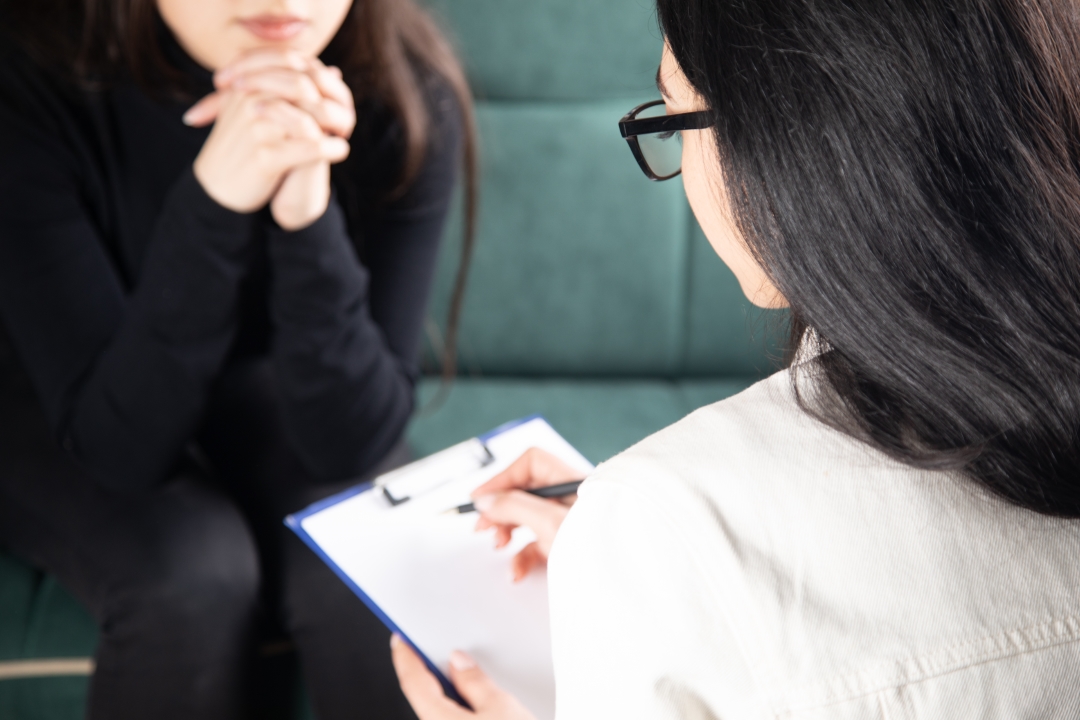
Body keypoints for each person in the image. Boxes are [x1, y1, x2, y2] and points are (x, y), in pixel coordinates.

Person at [390, 0, 1080, 717]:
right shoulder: (664, 531)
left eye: (673, 117)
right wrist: (650, 578)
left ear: (790, 141)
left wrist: (658, 549)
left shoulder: (662, 517)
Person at [0, 0, 475, 717]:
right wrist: (216, 199)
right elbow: (118, 449)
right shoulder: (27, 76)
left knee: (367, 563)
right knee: (192, 571)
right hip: (44, 392)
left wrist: (307, 218)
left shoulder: (405, 90)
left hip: (261, 386)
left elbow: (354, 441)